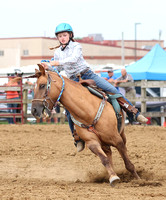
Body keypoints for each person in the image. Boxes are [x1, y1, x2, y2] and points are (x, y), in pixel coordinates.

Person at [41, 23, 148, 152]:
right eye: (60, 36)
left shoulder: (76, 46)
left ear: (70, 35)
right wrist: (49, 67)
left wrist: (56, 62)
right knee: (69, 109)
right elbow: (57, 69)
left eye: (64, 35)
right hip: (73, 80)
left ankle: (134, 112)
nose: (62, 37)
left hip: (88, 74)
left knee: (112, 90)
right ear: (57, 38)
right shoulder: (58, 52)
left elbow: (74, 59)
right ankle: (77, 138)